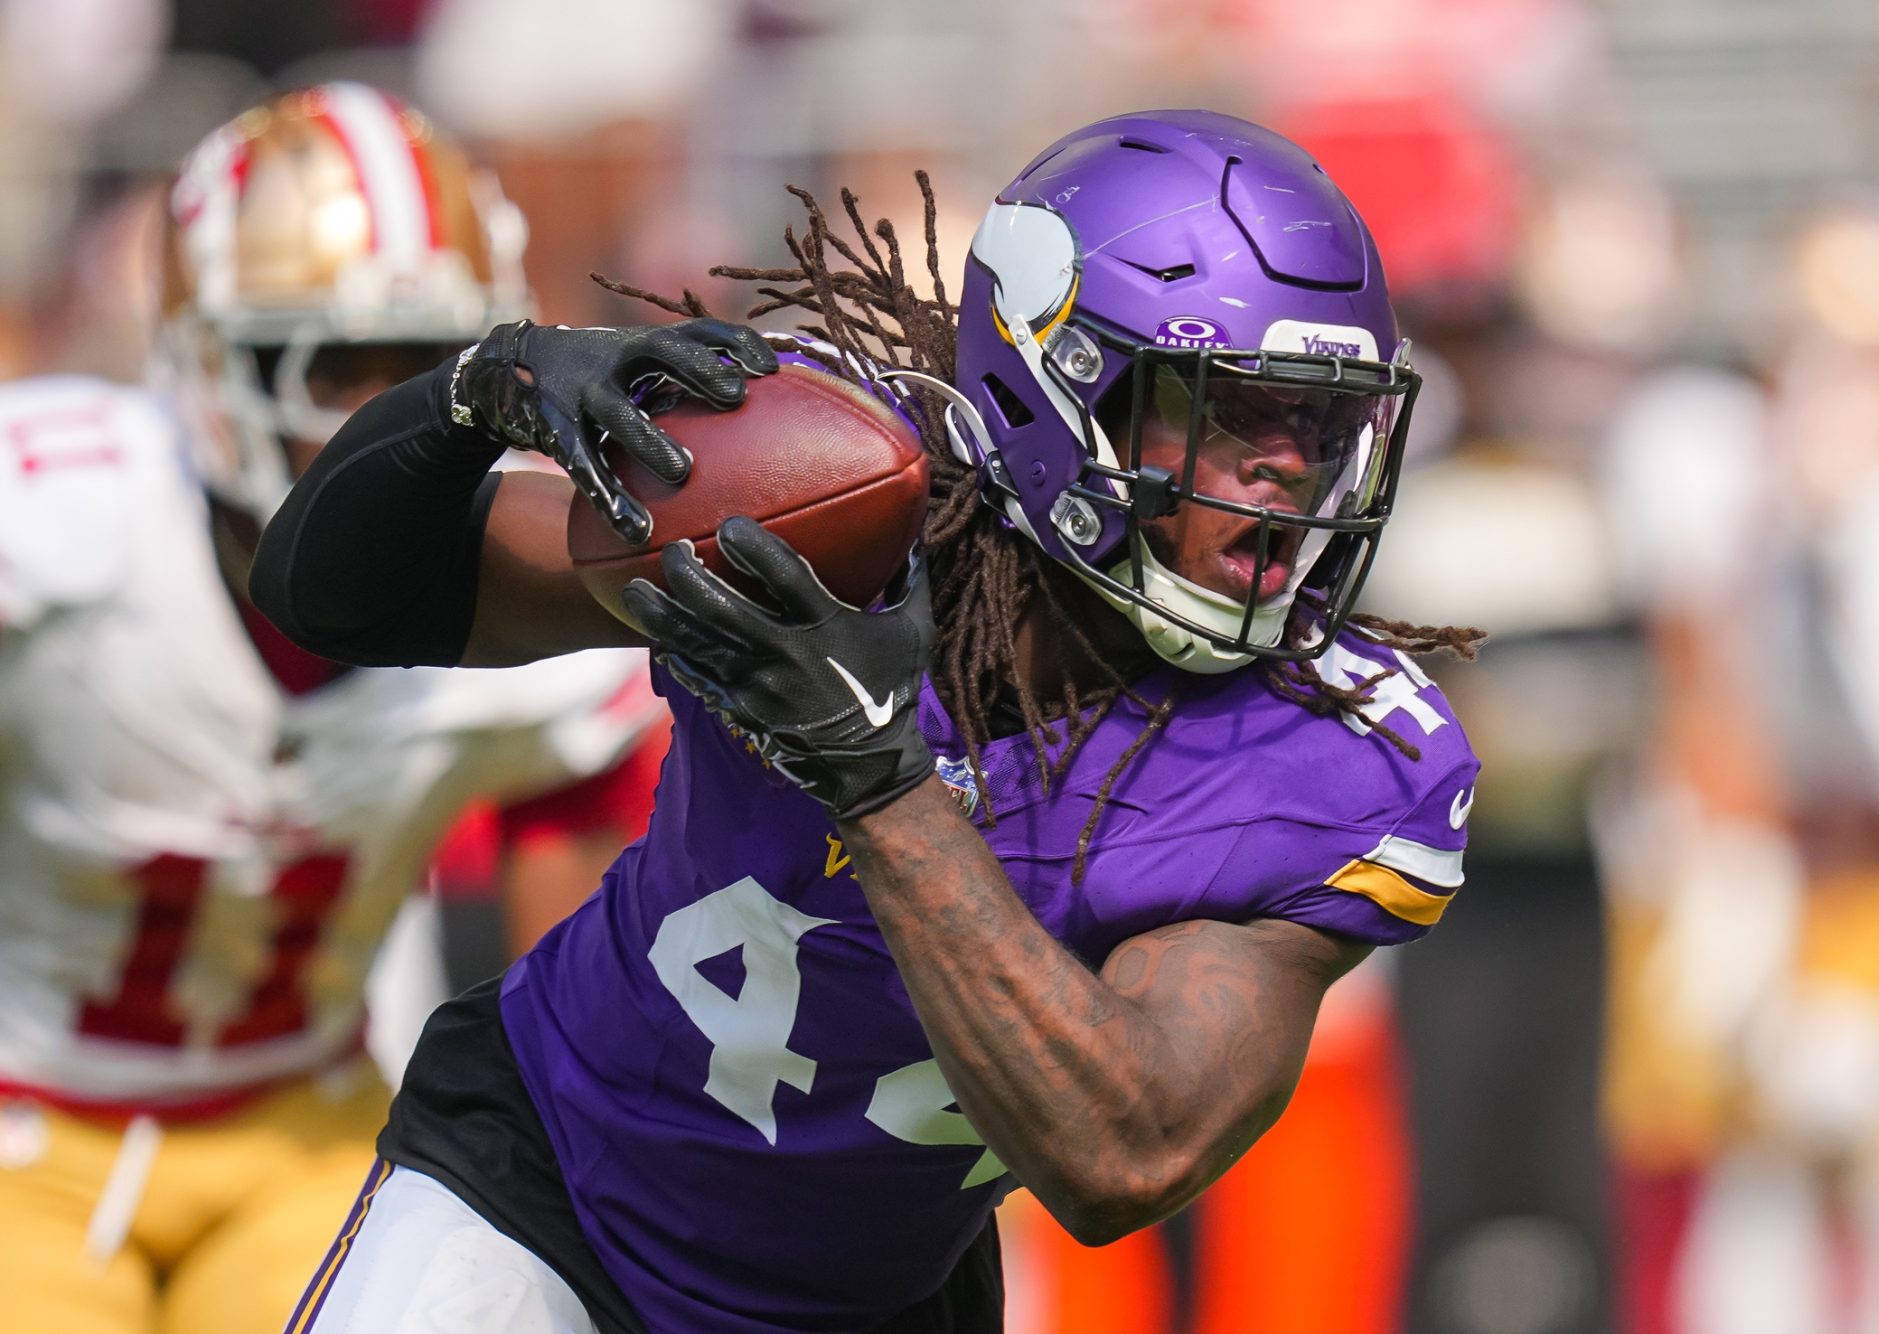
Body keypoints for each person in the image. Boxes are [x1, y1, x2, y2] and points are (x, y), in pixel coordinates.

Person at [254, 110, 1483, 1333]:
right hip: (545, 1197)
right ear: (1064, 390)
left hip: (873, 1301)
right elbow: (336, 592)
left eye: (1318, 428)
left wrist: (878, 779)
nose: (1284, 473)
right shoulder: (834, 506)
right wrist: (479, 390)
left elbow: (1127, 1151)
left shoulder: (1331, 757)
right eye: (1226, 413)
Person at [0, 83, 663, 1334]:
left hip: (304, 1124)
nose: (373, 419)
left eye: (419, 371)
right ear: (211, 363)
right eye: (326, 365)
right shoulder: (56, 528)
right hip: (24, 1115)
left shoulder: (544, 602)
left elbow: (577, 953)